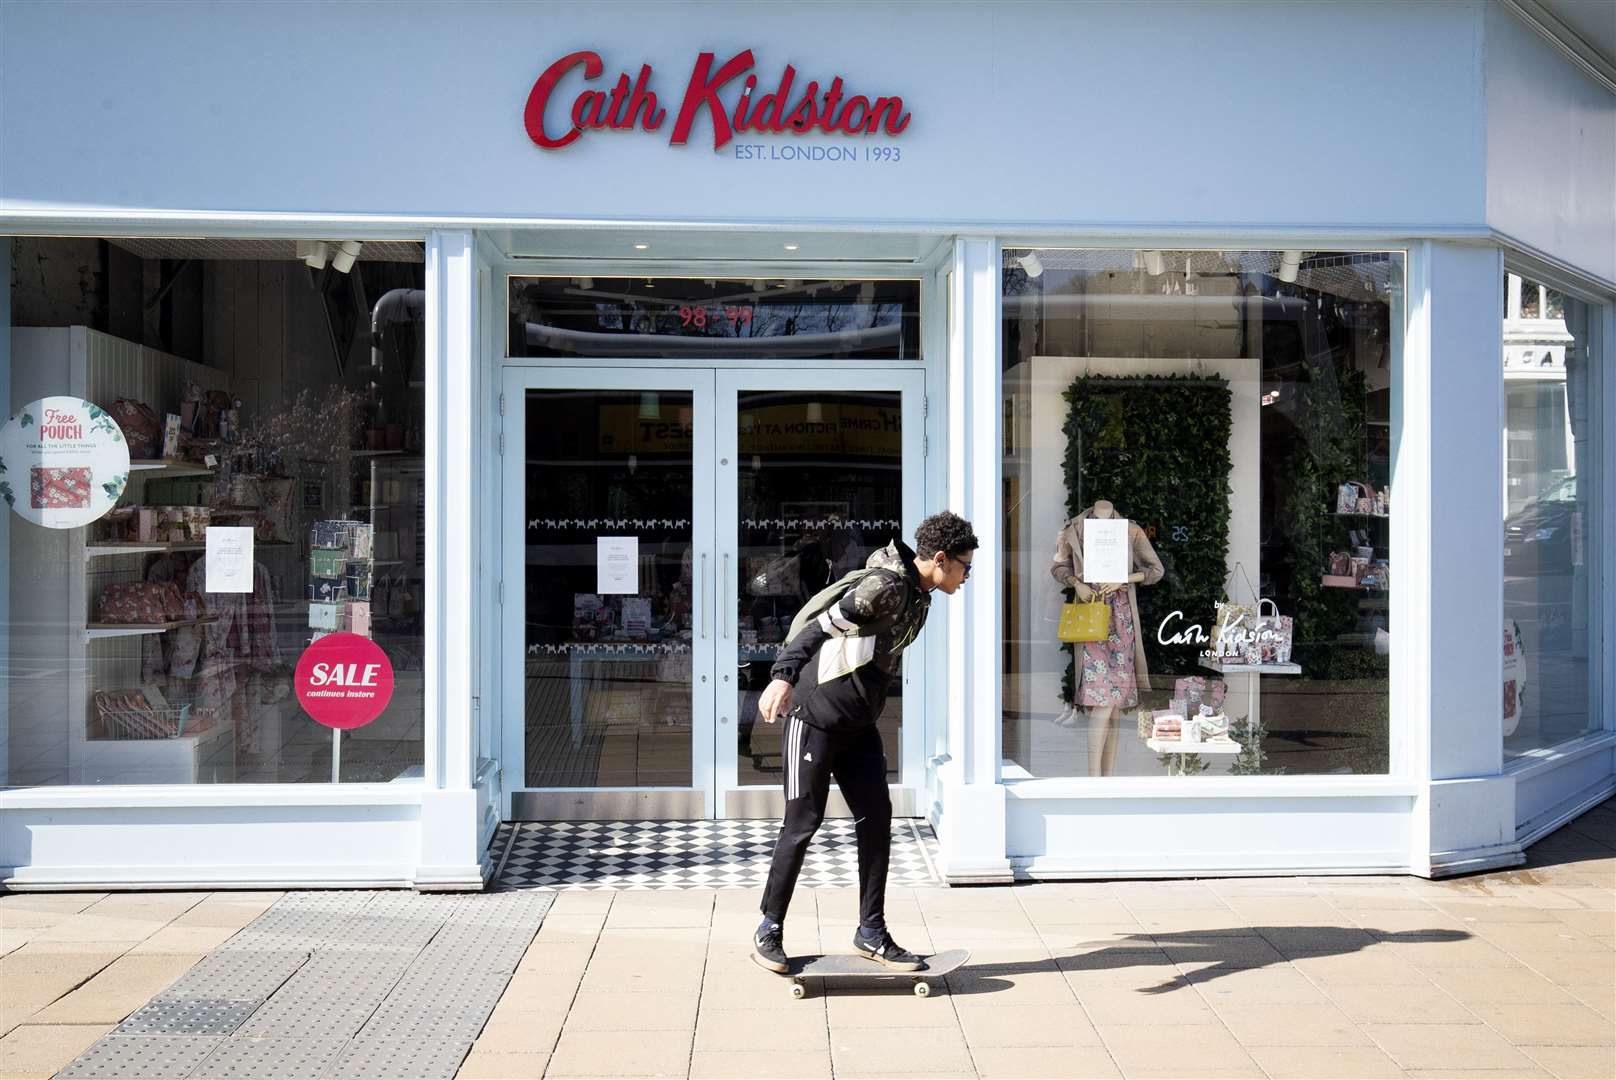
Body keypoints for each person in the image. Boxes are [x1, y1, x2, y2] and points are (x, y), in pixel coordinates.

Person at [751, 511, 978, 973]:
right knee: (802, 822)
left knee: (877, 819)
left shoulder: (919, 592)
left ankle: (870, 932)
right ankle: (768, 928)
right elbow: (819, 626)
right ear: (940, 559)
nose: (967, 575)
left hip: (858, 726)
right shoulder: (886, 588)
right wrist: (781, 677)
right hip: (814, 716)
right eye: (964, 566)